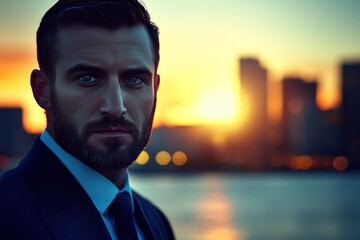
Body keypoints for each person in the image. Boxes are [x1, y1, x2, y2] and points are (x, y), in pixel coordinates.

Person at [0, 0, 175, 239]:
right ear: (43, 90)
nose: (115, 107)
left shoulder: (155, 221)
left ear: (154, 89)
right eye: (87, 78)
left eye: (134, 80)